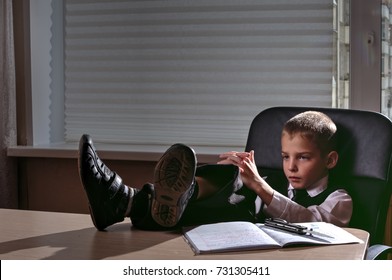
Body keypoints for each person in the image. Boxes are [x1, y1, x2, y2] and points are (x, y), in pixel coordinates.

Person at [78, 111, 352, 231]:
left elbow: (310, 222)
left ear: (330, 160)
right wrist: (235, 170)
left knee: (241, 189)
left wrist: (260, 187)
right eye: (285, 156)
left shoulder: (340, 200)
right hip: (238, 233)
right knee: (232, 180)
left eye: (303, 157)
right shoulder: (277, 180)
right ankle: (126, 201)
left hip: (288, 258)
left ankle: (118, 197)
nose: (291, 166)